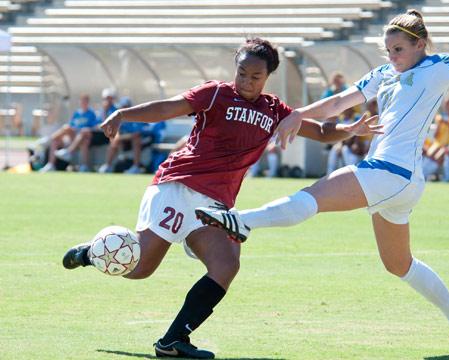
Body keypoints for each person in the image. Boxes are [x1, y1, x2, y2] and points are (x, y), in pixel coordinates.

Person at [195, 10, 449, 353]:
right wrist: (296, 115)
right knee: (398, 264)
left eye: (399, 49)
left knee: (314, 194)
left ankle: (242, 221)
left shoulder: (440, 66)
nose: (392, 56)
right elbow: (337, 104)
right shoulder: (382, 74)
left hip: (392, 172)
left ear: (420, 45)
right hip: (395, 180)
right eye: (389, 50)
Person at [60, 38, 381, 359]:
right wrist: (124, 113)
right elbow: (169, 107)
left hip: (214, 207)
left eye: (255, 76)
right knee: (141, 268)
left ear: (268, 76)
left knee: (226, 264)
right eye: (242, 73)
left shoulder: (274, 111)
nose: (246, 81)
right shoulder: (214, 93)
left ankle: (172, 342)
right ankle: (92, 253)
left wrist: (350, 129)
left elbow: (321, 132)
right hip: (178, 187)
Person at [39, 94, 98, 172]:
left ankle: (77, 160)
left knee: (83, 139)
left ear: (88, 102)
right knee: (56, 140)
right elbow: (71, 125)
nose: (83, 103)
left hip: (82, 137)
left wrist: (80, 129)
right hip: (72, 136)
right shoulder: (77, 113)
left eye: (85, 101)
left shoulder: (91, 113)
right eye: (82, 101)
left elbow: (93, 127)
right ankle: (51, 165)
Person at [98, 97, 146, 174]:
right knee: (114, 140)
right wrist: (118, 137)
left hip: (133, 140)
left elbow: (136, 134)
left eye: (125, 107)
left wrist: (120, 137)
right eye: (122, 107)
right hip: (122, 141)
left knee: (136, 140)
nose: (124, 109)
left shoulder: (136, 116)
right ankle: (108, 166)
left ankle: (136, 167)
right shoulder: (119, 117)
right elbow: (114, 130)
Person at [422, 98, 449, 180]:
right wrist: (439, 126)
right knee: (429, 154)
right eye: (446, 104)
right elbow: (436, 135)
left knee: (441, 156)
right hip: (438, 143)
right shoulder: (439, 117)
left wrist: (444, 122)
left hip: (448, 144)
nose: (447, 106)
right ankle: (423, 174)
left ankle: (447, 178)